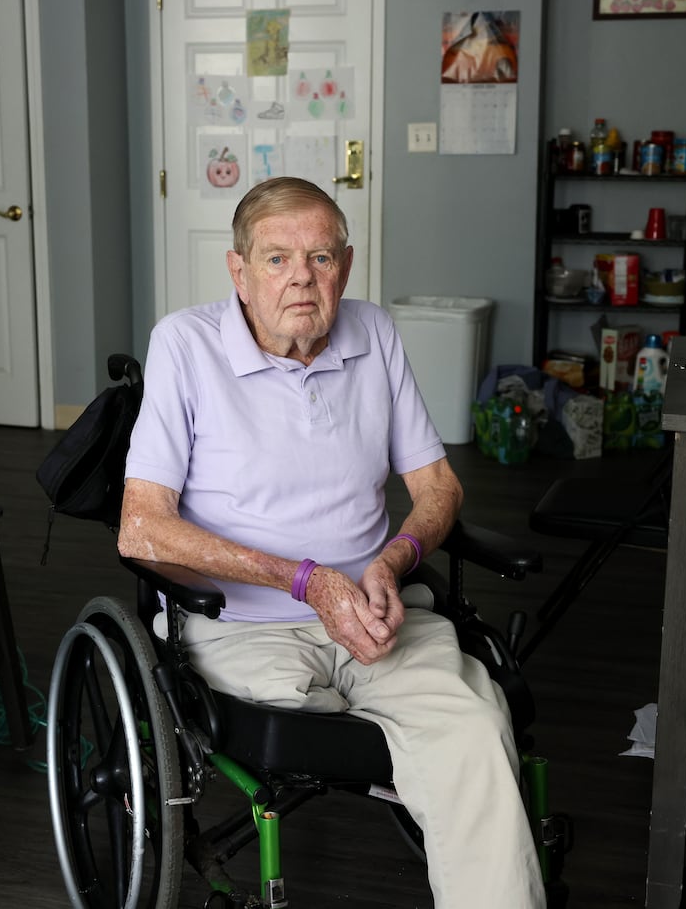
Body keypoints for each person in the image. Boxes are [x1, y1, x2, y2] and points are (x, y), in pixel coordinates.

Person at [119, 177, 544, 908]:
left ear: (345, 267)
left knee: (475, 727)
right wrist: (306, 579)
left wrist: (393, 559)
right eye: (278, 258)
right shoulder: (184, 345)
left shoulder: (373, 332)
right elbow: (142, 524)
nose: (302, 279)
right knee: (383, 732)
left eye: (321, 257)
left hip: (381, 614)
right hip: (244, 629)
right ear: (238, 270)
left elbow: (438, 486)